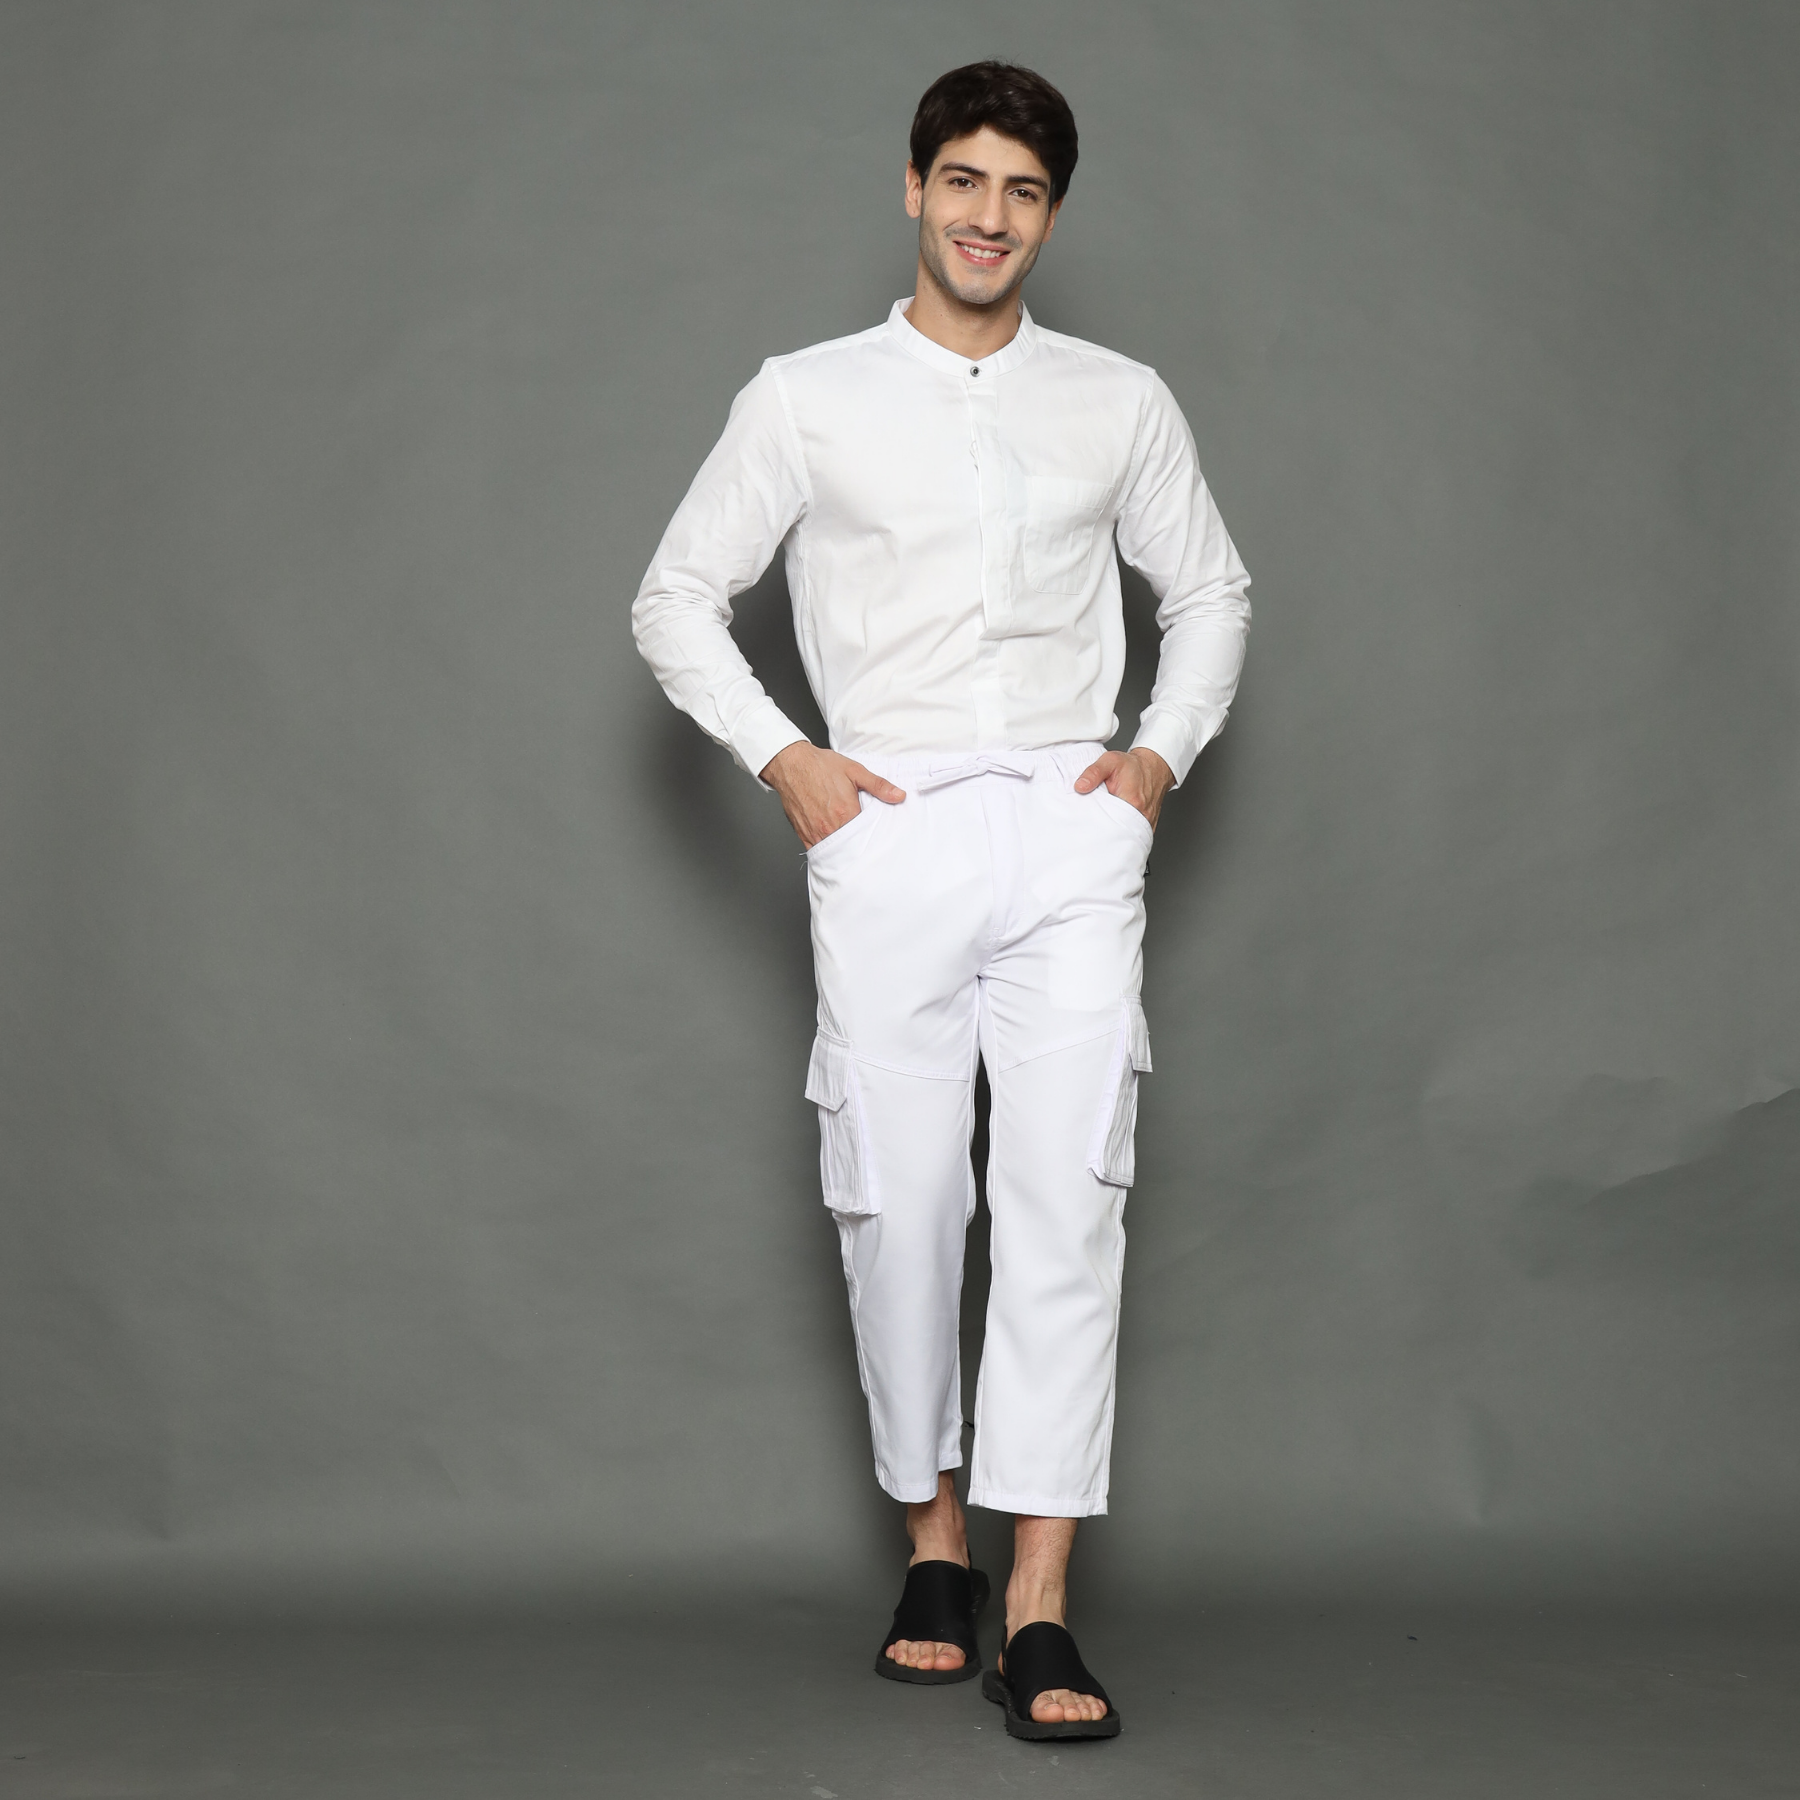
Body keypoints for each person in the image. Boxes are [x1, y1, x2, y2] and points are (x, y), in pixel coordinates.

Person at [632, 61, 1249, 1743]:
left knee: (1068, 1199)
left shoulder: (1119, 399)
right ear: (914, 188)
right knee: (902, 1201)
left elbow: (1209, 591)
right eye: (964, 181)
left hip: (1069, 829)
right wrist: (791, 762)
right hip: (888, 827)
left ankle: (1039, 1604)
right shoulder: (807, 396)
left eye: (1023, 191)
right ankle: (935, 1546)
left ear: (1053, 214)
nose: (990, 217)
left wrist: (1154, 760)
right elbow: (678, 596)